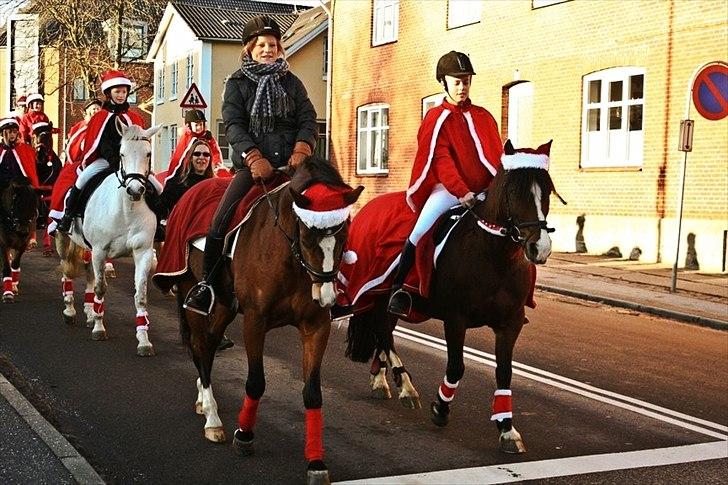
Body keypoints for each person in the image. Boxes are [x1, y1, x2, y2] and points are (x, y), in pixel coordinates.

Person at [183, 15, 318, 315]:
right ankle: (207, 286)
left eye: (272, 44)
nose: (267, 50)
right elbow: (233, 124)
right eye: (261, 45)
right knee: (221, 220)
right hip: (252, 169)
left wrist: (302, 147)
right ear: (249, 50)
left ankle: (334, 284)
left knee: (327, 210)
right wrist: (253, 157)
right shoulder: (237, 83)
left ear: (279, 47)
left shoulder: (292, 83)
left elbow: (308, 118)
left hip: (293, 167)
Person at [387, 51, 504, 317]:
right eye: (457, 81)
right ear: (444, 83)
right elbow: (440, 161)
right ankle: (399, 289)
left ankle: (511, 295)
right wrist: (462, 192)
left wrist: (494, 190)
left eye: (466, 81)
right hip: (449, 191)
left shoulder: (483, 116)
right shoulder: (436, 118)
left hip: (485, 190)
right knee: (419, 231)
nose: (462, 87)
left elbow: (495, 156)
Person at [56, 70, 148, 234]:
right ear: (109, 93)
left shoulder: (134, 118)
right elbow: (102, 143)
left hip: (131, 163)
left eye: (124, 92)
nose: (121, 95)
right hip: (106, 160)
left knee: (157, 186)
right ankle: (68, 217)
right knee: (81, 180)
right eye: (117, 91)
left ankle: (158, 221)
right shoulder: (101, 117)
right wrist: (115, 161)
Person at [165, 109, 224, 185]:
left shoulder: (209, 138)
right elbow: (179, 158)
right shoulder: (186, 138)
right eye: (196, 125)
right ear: (189, 125)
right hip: (189, 172)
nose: (199, 127)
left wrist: (216, 163)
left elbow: (215, 152)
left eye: (200, 124)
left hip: (207, 170)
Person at [0, 116, 40, 188]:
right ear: (2, 134)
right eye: (9, 132)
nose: (12, 135)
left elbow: (30, 171)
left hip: (20, 185)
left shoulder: (25, 149)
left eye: (14, 132)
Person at [65, 99, 103, 164]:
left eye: (98, 109)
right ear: (87, 111)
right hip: (80, 161)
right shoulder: (79, 127)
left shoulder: (104, 124)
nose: (96, 111)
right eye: (94, 109)